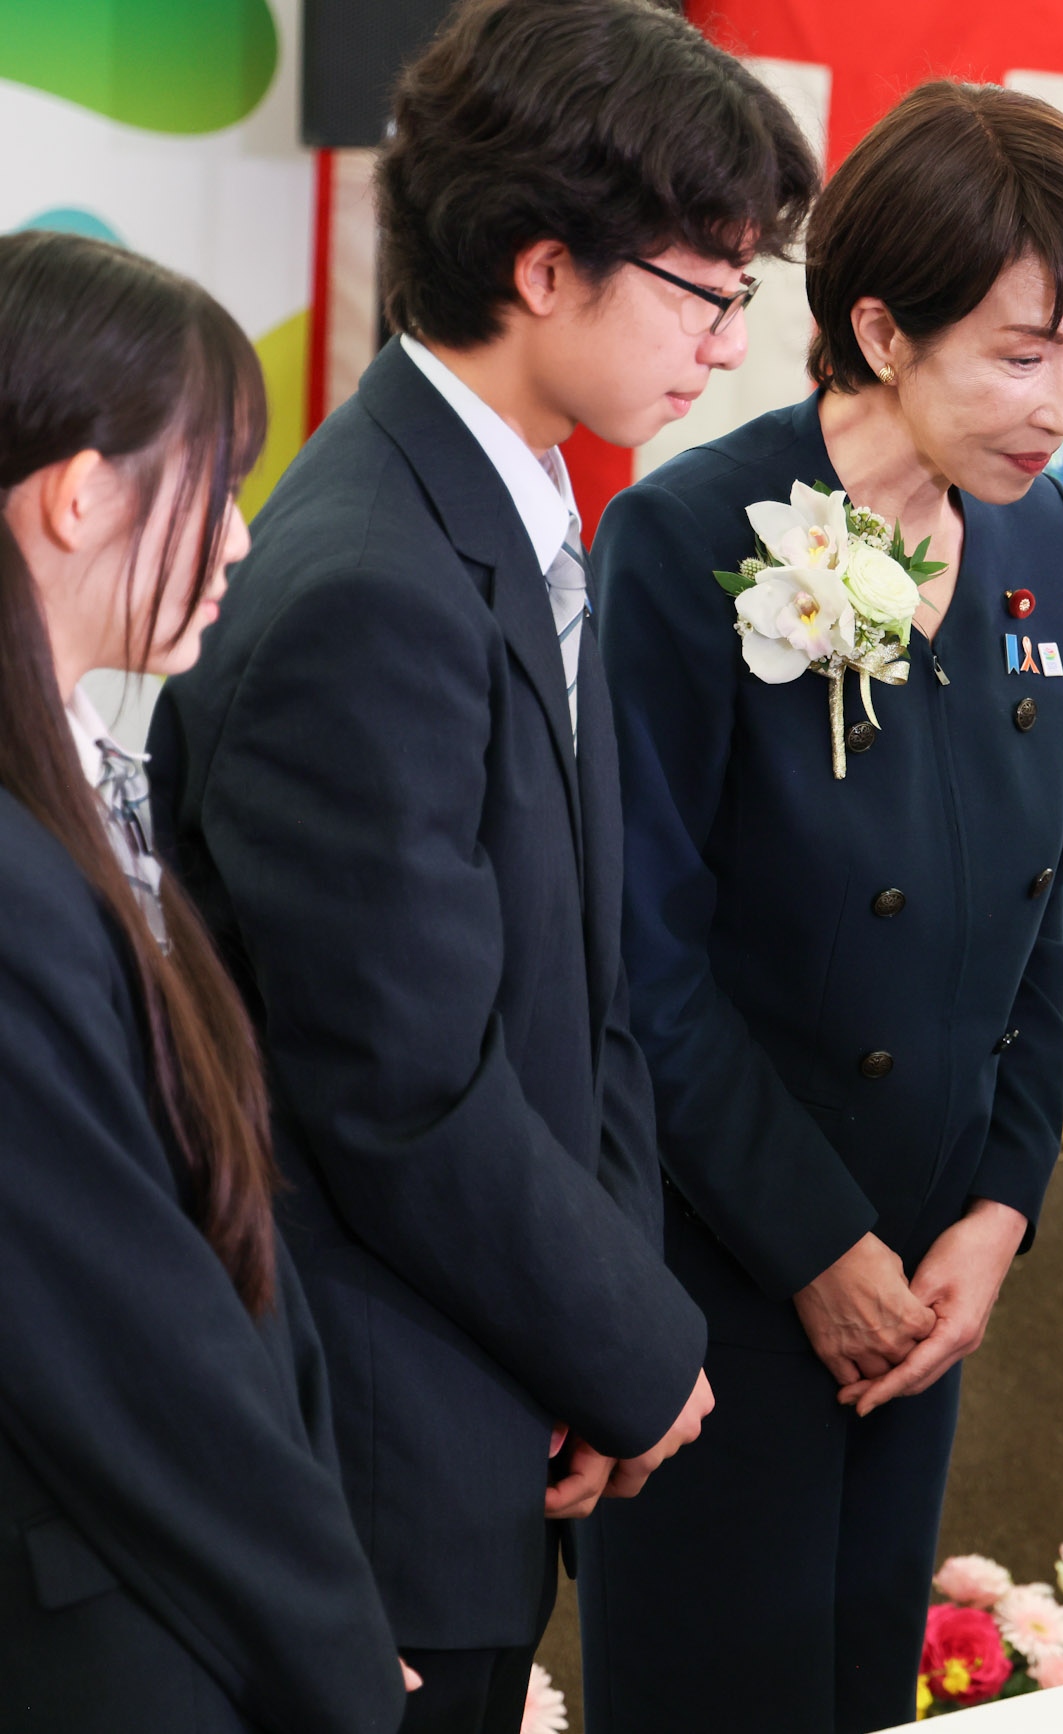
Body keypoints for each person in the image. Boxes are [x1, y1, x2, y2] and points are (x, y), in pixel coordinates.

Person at [146, 3, 816, 1726]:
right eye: (705, 288)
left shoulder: (498, 510)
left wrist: (602, 1328)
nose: (728, 347)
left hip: (497, 1372)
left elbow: (578, 999)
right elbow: (398, 1082)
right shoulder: (370, 576)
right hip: (389, 1419)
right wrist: (633, 1345)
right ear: (542, 267)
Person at [581, 81, 1063, 1732]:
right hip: (726, 1273)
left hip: (928, 1283)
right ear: (880, 327)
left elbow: (1046, 907)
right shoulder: (689, 537)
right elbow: (640, 955)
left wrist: (996, 1215)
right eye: (1023, 353)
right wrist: (820, 1245)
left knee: (862, 1682)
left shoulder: (1041, 541)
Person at [0, 231, 409, 1732]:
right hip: (116, 1636)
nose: (240, 538)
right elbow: (130, 1336)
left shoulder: (85, 788)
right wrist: (338, 1650)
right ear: (80, 490)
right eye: (214, 479)